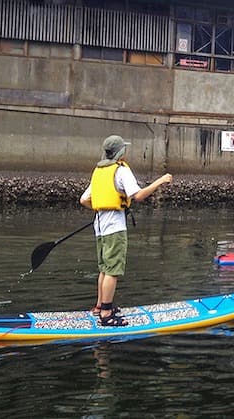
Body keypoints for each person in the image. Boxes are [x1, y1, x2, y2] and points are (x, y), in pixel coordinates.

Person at [80, 135, 173, 327]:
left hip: (100, 225)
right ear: (121, 152)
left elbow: (84, 200)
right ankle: (106, 314)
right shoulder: (121, 171)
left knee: (104, 268)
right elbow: (137, 196)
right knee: (112, 270)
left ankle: (99, 306)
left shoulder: (99, 171)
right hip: (114, 227)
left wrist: (102, 209)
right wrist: (160, 181)